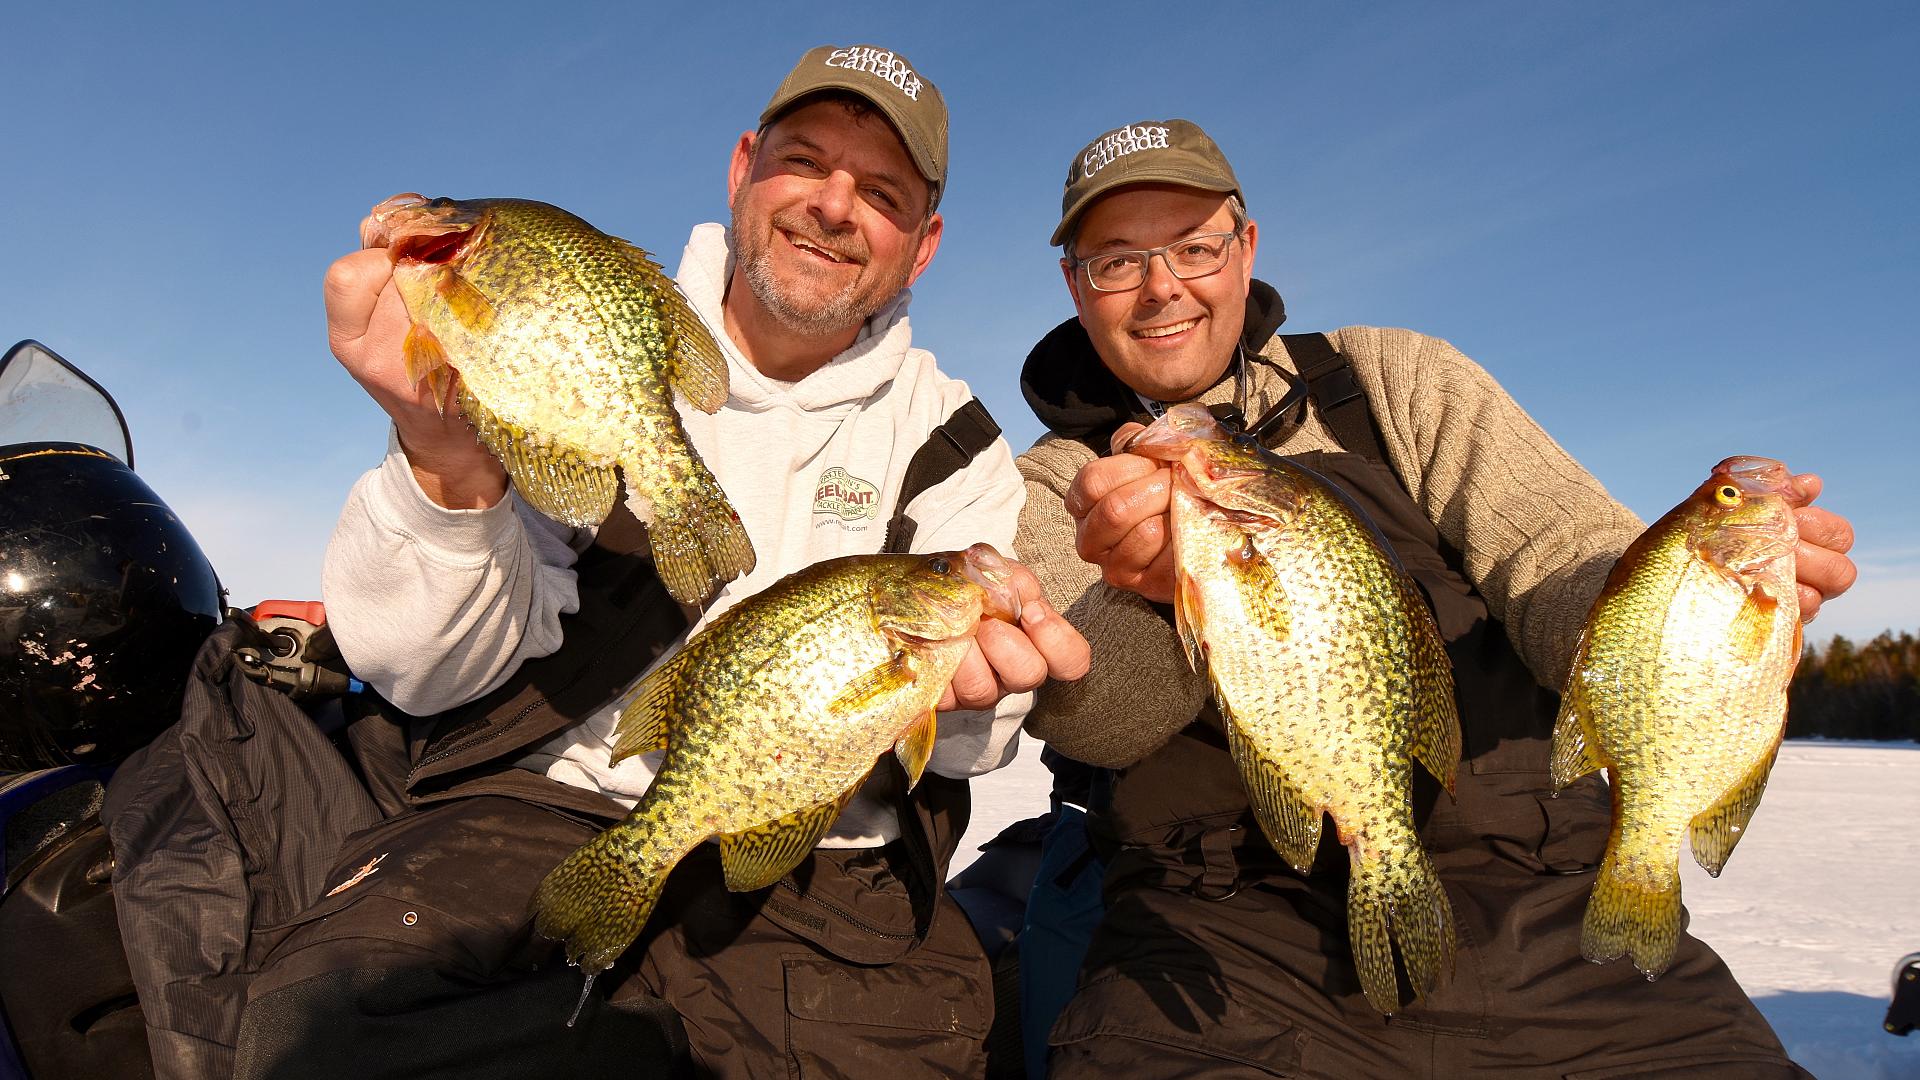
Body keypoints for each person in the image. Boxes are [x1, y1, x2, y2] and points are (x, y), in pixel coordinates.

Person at [230, 45, 1088, 1080]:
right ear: (741, 168)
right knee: (326, 1026)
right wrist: (444, 457)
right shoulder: (567, 338)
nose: (832, 204)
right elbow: (422, 670)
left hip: (831, 872)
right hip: (535, 810)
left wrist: (973, 700)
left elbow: (962, 753)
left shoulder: (957, 444)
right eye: (804, 162)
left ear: (923, 244)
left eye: (882, 194)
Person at [1012, 118, 1857, 1078]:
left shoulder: (1389, 382)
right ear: (1077, 287)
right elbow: (1090, 721)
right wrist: (1157, 595)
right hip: (1226, 944)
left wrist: (1679, 611)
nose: (1163, 285)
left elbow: (1560, 550)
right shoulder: (1050, 486)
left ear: (1245, 249)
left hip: (1549, 916)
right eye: (1117, 262)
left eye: (1194, 247)